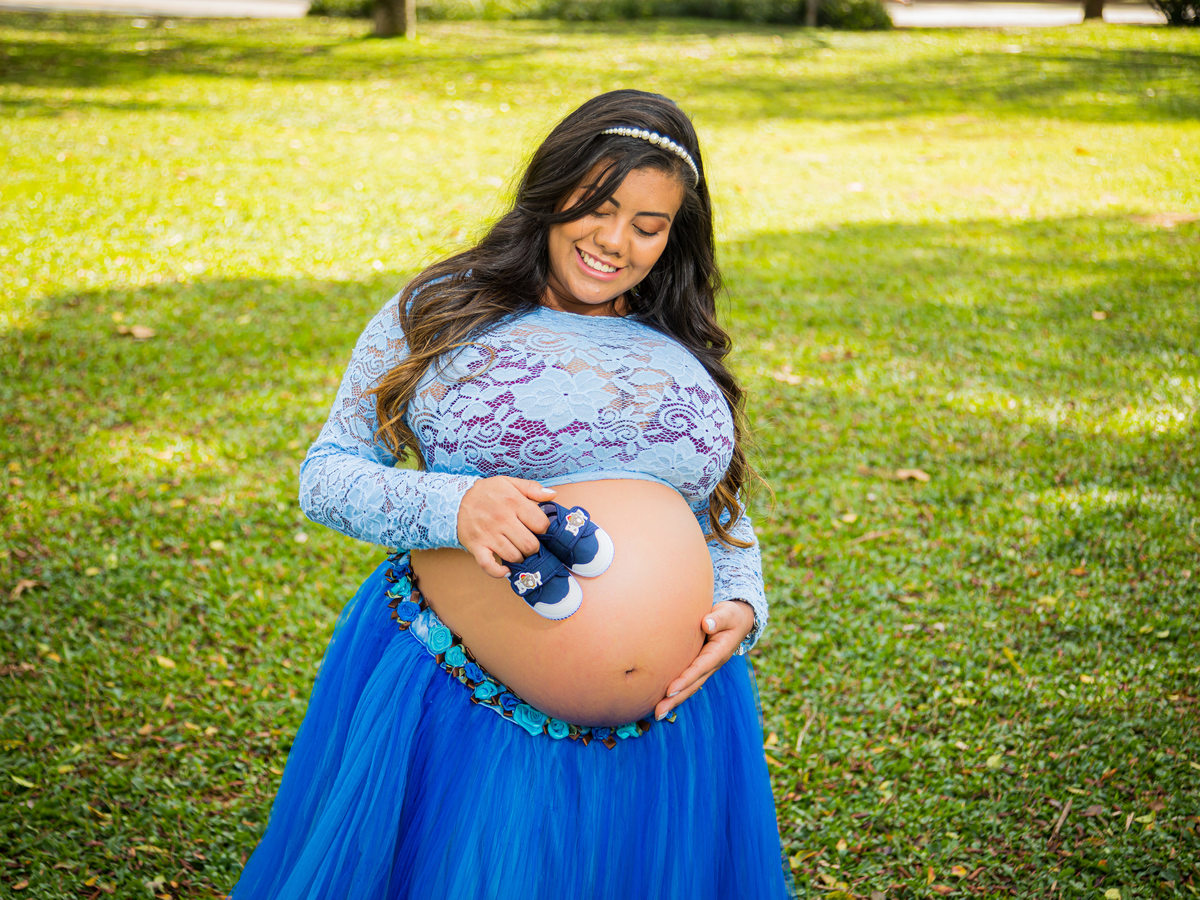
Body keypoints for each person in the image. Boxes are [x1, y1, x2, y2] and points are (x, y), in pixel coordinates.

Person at [231, 89, 793, 900]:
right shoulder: (440, 310)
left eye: (649, 225)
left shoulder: (676, 338)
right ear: (552, 189)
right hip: (465, 712)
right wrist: (455, 508)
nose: (615, 242)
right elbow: (327, 474)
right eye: (597, 206)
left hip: (676, 731)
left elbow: (713, 505)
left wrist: (741, 599)